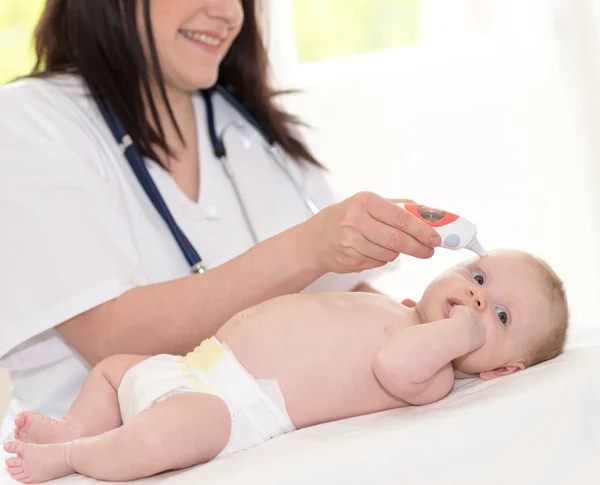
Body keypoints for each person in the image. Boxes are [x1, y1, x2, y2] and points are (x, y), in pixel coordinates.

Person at [0, 0, 443, 439]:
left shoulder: (245, 123)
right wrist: (309, 248)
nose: (230, 13)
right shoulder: (30, 122)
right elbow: (112, 339)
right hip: (90, 456)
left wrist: (435, 326)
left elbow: (342, 297)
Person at [3, 249, 569, 483]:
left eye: (497, 315)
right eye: (477, 277)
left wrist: (457, 333)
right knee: (113, 366)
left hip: (227, 410)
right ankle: (77, 424)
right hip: (192, 365)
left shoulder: (433, 374)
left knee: (182, 430)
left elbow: (393, 363)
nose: (475, 300)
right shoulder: (388, 306)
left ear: (501, 371)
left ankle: (72, 457)